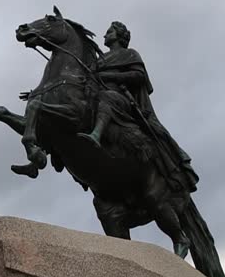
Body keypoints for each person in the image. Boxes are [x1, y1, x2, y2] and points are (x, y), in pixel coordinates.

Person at [77, 21, 199, 192]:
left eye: (109, 32)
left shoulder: (130, 54)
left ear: (119, 35)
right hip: (96, 98)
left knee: (107, 97)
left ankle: (96, 134)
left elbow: (139, 76)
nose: (105, 35)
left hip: (121, 100)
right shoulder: (100, 59)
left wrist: (110, 76)